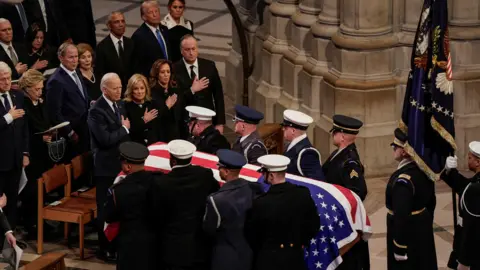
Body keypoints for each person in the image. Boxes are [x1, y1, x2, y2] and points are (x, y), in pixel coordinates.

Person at [150, 139, 220, 270]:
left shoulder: (161, 183)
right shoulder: (205, 175)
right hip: (199, 246)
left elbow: (156, 214)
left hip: (171, 248)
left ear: (173, 161)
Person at [245, 154, 319, 270]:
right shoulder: (303, 194)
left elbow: (252, 236)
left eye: (263, 173)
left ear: (271, 176)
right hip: (295, 258)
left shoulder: (261, 203)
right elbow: (313, 226)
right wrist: (299, 241)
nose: (262, 176)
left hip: (268, 260)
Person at [87, 73, 130, 262]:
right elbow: (105, 140)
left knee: (117, 207)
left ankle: (116, 244)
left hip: (118, 164)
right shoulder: (96, 111)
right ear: (104, 90)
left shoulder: (119, 104)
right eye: (115, 88)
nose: (119, 91)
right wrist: (124, 129)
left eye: (120, 87)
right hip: (105, 168)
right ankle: (104, 248)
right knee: (105, 208)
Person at [385, 128, 437, 270]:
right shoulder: (424, 172)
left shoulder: (404, 180)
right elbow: (431, 202)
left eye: (396, 146)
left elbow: (401, 216)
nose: (393, 148)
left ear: (404, 151)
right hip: (421, 229)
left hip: (407, 236)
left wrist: (399, 247)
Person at [203, 149, 263, 270]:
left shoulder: (216, 200)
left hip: (224, 259)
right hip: (248, 255)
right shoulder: (254, 189)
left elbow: (209, 230)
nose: (218, 170)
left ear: (226, 172)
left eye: (219, 168)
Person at [322, 114, 368, 269]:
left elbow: (358, 191)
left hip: (344, 220)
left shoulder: (349, 162)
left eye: (334, 132)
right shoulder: (338, 154)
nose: (332, 135)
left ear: (341, 136)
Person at [104, 141, 156, 270]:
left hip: (129, 243)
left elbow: (109, 217)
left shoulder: (118, 190)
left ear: (127, 167)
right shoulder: (158, 182)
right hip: (153, 241)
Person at [18, 69, 53, 237]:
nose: (40, 92)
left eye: (41, 88)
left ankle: (40, 219)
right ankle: (30, 222)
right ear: (26, 88)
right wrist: (41, 138)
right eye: (37, 89)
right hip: (31, 153)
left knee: (41, 189)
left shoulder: (40, 102)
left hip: (43, 153)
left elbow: (45, 122)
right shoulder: (22, 105)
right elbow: (25, 132)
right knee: (31, 190)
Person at [46, 42, 90, 160]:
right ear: (61, 58)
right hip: (72, 136)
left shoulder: (77, 72)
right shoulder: (56, 81)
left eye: (76, 56)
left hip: (84, 130)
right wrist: (70, 133)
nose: (75, 60)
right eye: (71, 57)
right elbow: (55, 113)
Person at [173, 34, 225, 133]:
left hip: (207, 120)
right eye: (187, 50)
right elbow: (177, 98)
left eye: (193, 49)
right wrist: (192, 90)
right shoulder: (174, 69)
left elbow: (218, 96)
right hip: (185, 122)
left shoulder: (209, 66)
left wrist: (219, 123)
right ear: (181, 51)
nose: (191, 53)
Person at [442, 141, 480, 270]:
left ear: (477, 162)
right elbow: (464, 186)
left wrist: (464, 261)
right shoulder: (475, 184)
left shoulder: (475, 190)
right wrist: (449, 171)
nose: (467, 160)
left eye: (470, 158)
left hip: (473, 255)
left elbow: (471, 229)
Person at [0, 61, 29, 230]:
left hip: (16, 160)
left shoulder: (17, 96)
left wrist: (25, 153)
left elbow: (24, 127)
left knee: (12, 201)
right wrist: (8, 117)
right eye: (2, 79)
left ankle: (10, 240)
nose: (6, 82)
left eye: (9, 78)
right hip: (0, 161)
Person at [95, 11, 135, 91]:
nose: (121, 24)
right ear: (109, 26)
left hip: (131, 90)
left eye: (123, 21)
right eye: (117, 22)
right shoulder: (101, 47)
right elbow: (100, 74)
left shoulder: (131, 43)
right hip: (113, 91)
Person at [149, 59, 187, 141]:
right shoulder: (152, 93)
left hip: (176, 136)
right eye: (162, 72)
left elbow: (181, 115)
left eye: (168, 72)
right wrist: (166, 107)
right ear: (157, 74)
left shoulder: (175, 90)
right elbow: (154, 121)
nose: (166, 75)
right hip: (161, 137)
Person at [282, 109, 324, 180]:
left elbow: (316, 182)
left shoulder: (307, 154)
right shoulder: (291, 145)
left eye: (285, 127)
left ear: (293, 131)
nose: (283, 129)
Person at [132, 0, 170, 77]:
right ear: (143, 17)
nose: (155, 15)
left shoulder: (165, 30)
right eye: (150, 12)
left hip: (168, 77)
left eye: (156, 11)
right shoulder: (139, 36)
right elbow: (138, 65)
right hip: (151, 79)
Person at [123, 74, 158, 145]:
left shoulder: (151, 103)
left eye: (142, 88)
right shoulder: (125, 106)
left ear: (146, 89)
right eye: (136, 88)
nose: (139, 92)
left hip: (153, 144)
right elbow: (129, 130)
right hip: (135, 146)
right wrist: (144, 120)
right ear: (131, 90)